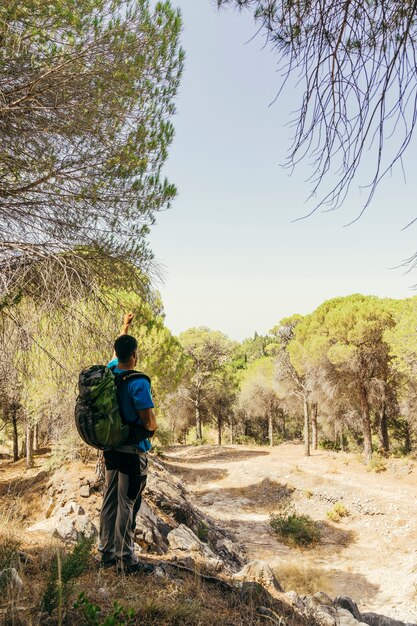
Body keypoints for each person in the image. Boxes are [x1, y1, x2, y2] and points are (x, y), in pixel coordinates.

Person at [98, 313, 157, 572]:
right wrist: (153, 426)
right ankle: (126, 558)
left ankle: (106, 553)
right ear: (134, 355)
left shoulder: (110, 370)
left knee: (110, 500)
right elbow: (148, 422)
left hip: (110, 449)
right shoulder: (138, 382)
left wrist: (125, 326)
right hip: (133, 452)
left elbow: (119, 346)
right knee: (128, 503)